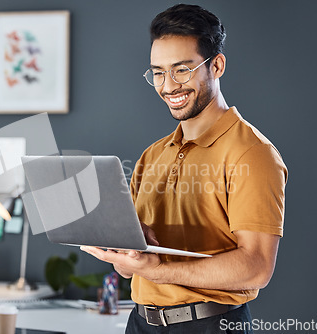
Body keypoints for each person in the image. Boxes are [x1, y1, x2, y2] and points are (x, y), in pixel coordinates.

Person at [81, 4, 288, 333]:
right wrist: (122, 247)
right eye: (159, 72)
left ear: (216, 65)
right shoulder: (152, 155)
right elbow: (129, 271)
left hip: (210, 325)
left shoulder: (252, 153)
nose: (168, 86)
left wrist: (158, 269)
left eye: (182, 70)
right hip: (140, 323)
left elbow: (257, 267)